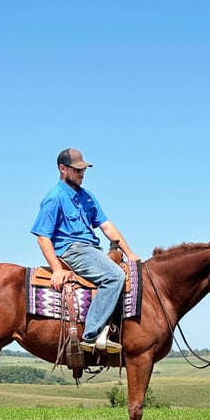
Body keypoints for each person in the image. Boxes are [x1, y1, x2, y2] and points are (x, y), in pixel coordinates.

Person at [31, 148, 141, 354]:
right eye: (77, 169)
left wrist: (130, 253)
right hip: (72, 250)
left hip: (92, 249)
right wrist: (56, 268)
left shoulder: (87, 197)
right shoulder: (55, 197)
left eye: (84, 170)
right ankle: (90, 335)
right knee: (114, 276)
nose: (82, 173)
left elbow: (107, 226)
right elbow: (42, 237)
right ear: (62, 169)